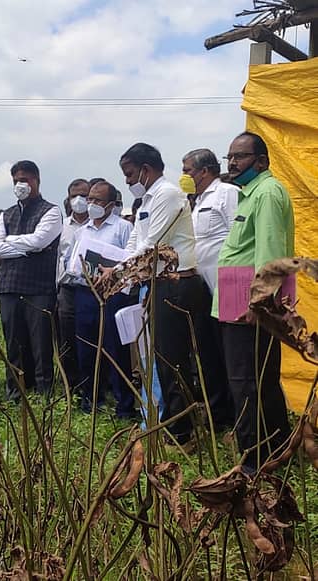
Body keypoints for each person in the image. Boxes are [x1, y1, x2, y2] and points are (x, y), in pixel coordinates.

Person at [113, 143, 202, 447]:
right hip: (156, 284)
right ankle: (172, 423)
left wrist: (117, 272)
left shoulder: (166, 194)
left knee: (171, 359)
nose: (127, 181)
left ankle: (182, 432)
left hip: (176, 283)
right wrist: (117, 269)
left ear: (145, 170)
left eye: (129, 174)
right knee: (160, 359)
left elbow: (152, 245)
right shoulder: (146, 200)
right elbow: (135, 241)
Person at [214, 132, 293, 471]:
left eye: (241, 157)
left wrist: (259, 304)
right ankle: (280, 447)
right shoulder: (250, 194)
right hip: (237, 303)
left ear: (261, 161)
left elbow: (271, 254)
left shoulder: (267, 194)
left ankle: (252, 460)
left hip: (249, 308)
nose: (233, 163)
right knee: (261, 380)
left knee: (245, 382)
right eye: (229, 156)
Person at [0, 160, 62, 399]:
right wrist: (26, 246)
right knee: (14, 344)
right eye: (16, 181)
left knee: (40, 344)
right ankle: (16, 392)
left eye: (25, 180)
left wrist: (11, 242)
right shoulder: (7, 214)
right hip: (9, 287)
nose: (21, 184)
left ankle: (44, 394)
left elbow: (41, 241)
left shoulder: (51, 211)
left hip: (40, 288)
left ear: (36, 181)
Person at [66, 181, 135, 417]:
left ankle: (123, 405)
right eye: (90, 200)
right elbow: (71, 261)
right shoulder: (82, 231)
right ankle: (91, 400)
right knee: (86, 349)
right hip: (85, 293)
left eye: (98, 201)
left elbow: (131, 262)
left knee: (115, 349)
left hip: (113, 295)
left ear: (112, 204)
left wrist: (111, 272)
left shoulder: (123, 227)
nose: (92, 204)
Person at [180, 148, 238, 430]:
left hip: (227, 288)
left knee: (230, 356)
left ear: (205, 171)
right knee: (208, 355)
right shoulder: (196, 200)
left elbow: (237, 237)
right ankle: (219, 417)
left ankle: (238, 417)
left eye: (188, 170)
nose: (185, 175)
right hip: (202, 290)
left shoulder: (227, 193)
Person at [57, 178, 90, 393]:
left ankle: (93, 382)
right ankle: (71, 383)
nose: (79, 200)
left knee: (89, 336)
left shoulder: (97, 226)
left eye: (84, 195)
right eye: (74, 196)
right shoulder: (61, 227)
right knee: (66, 335)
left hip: (90, 288)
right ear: (68, 200)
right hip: (66, 288)